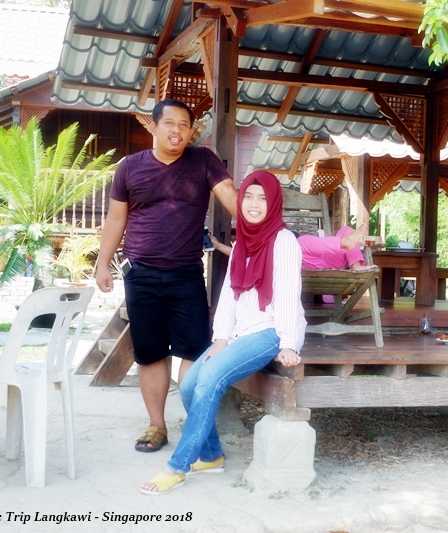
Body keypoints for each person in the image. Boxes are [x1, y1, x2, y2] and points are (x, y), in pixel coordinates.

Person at [139, 169, 306, 495]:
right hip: (242, 333)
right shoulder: (243, 240)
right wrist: (221, 339)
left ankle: (177, 467)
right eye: (249, 197)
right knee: (189, 383)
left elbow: (288, 294)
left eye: (263, 198)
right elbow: (230, 296)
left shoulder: (284, 241)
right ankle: (212, 456)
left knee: (210, 379)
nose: (254, 204)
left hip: (272, 331)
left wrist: (288, 343)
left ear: (274, 203)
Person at [95, 98, 238, 453]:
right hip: (141, 274)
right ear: (155, 127)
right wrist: (102, 263)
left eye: (184, 125)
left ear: (191, 131)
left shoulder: (202, 160)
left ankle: (194, 425)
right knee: (150, 353)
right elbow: (116, 218)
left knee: (194, 351)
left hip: (186, 273)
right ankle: (156, 425)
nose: (177, 130)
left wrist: (266, 229)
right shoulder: (130, 167)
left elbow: (231, 198)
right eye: (170, 123)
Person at [297, 223, 375, 272]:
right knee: (301, 241)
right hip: (327, 263)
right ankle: (345, 242)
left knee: (345, 230)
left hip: (330, 260)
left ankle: (346, 244)